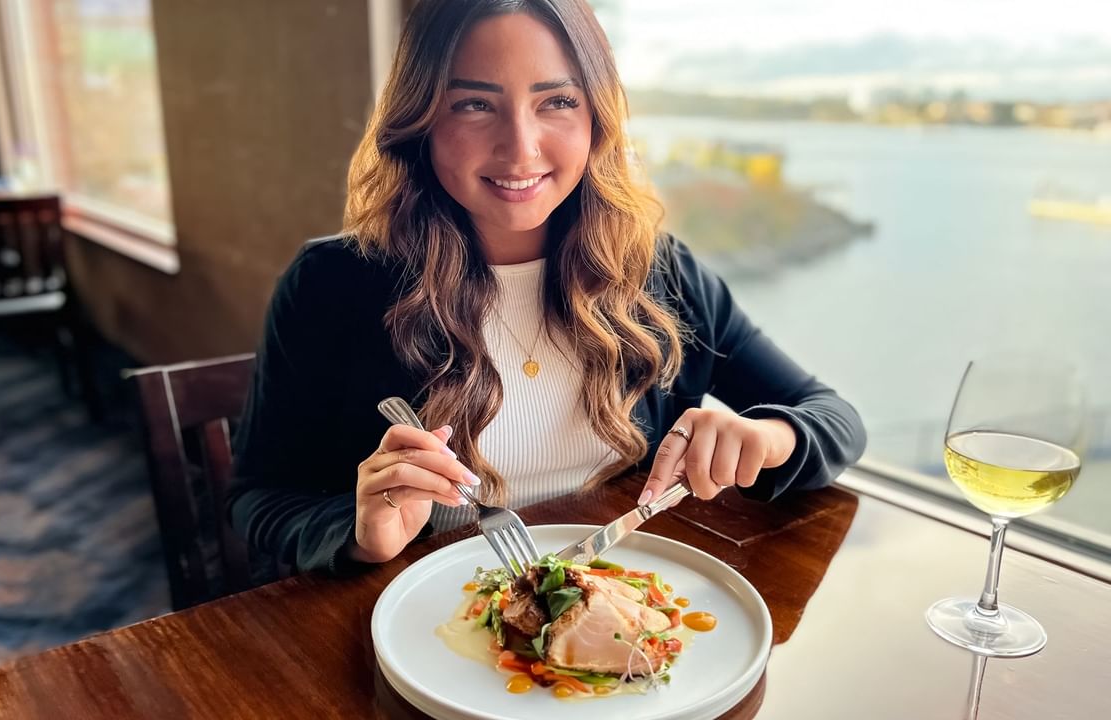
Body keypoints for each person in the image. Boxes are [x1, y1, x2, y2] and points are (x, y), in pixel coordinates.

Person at [228, 0, 866, 575]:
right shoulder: (333, 284)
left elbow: (834, 419)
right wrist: (361, 533)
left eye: (556, 102)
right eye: (474, 104)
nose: (521, 147)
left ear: (596, 118)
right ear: (420, 119)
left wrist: (768, 437)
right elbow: (256, 498)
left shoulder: (660, 272)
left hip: (617, 602)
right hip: (412, 619)